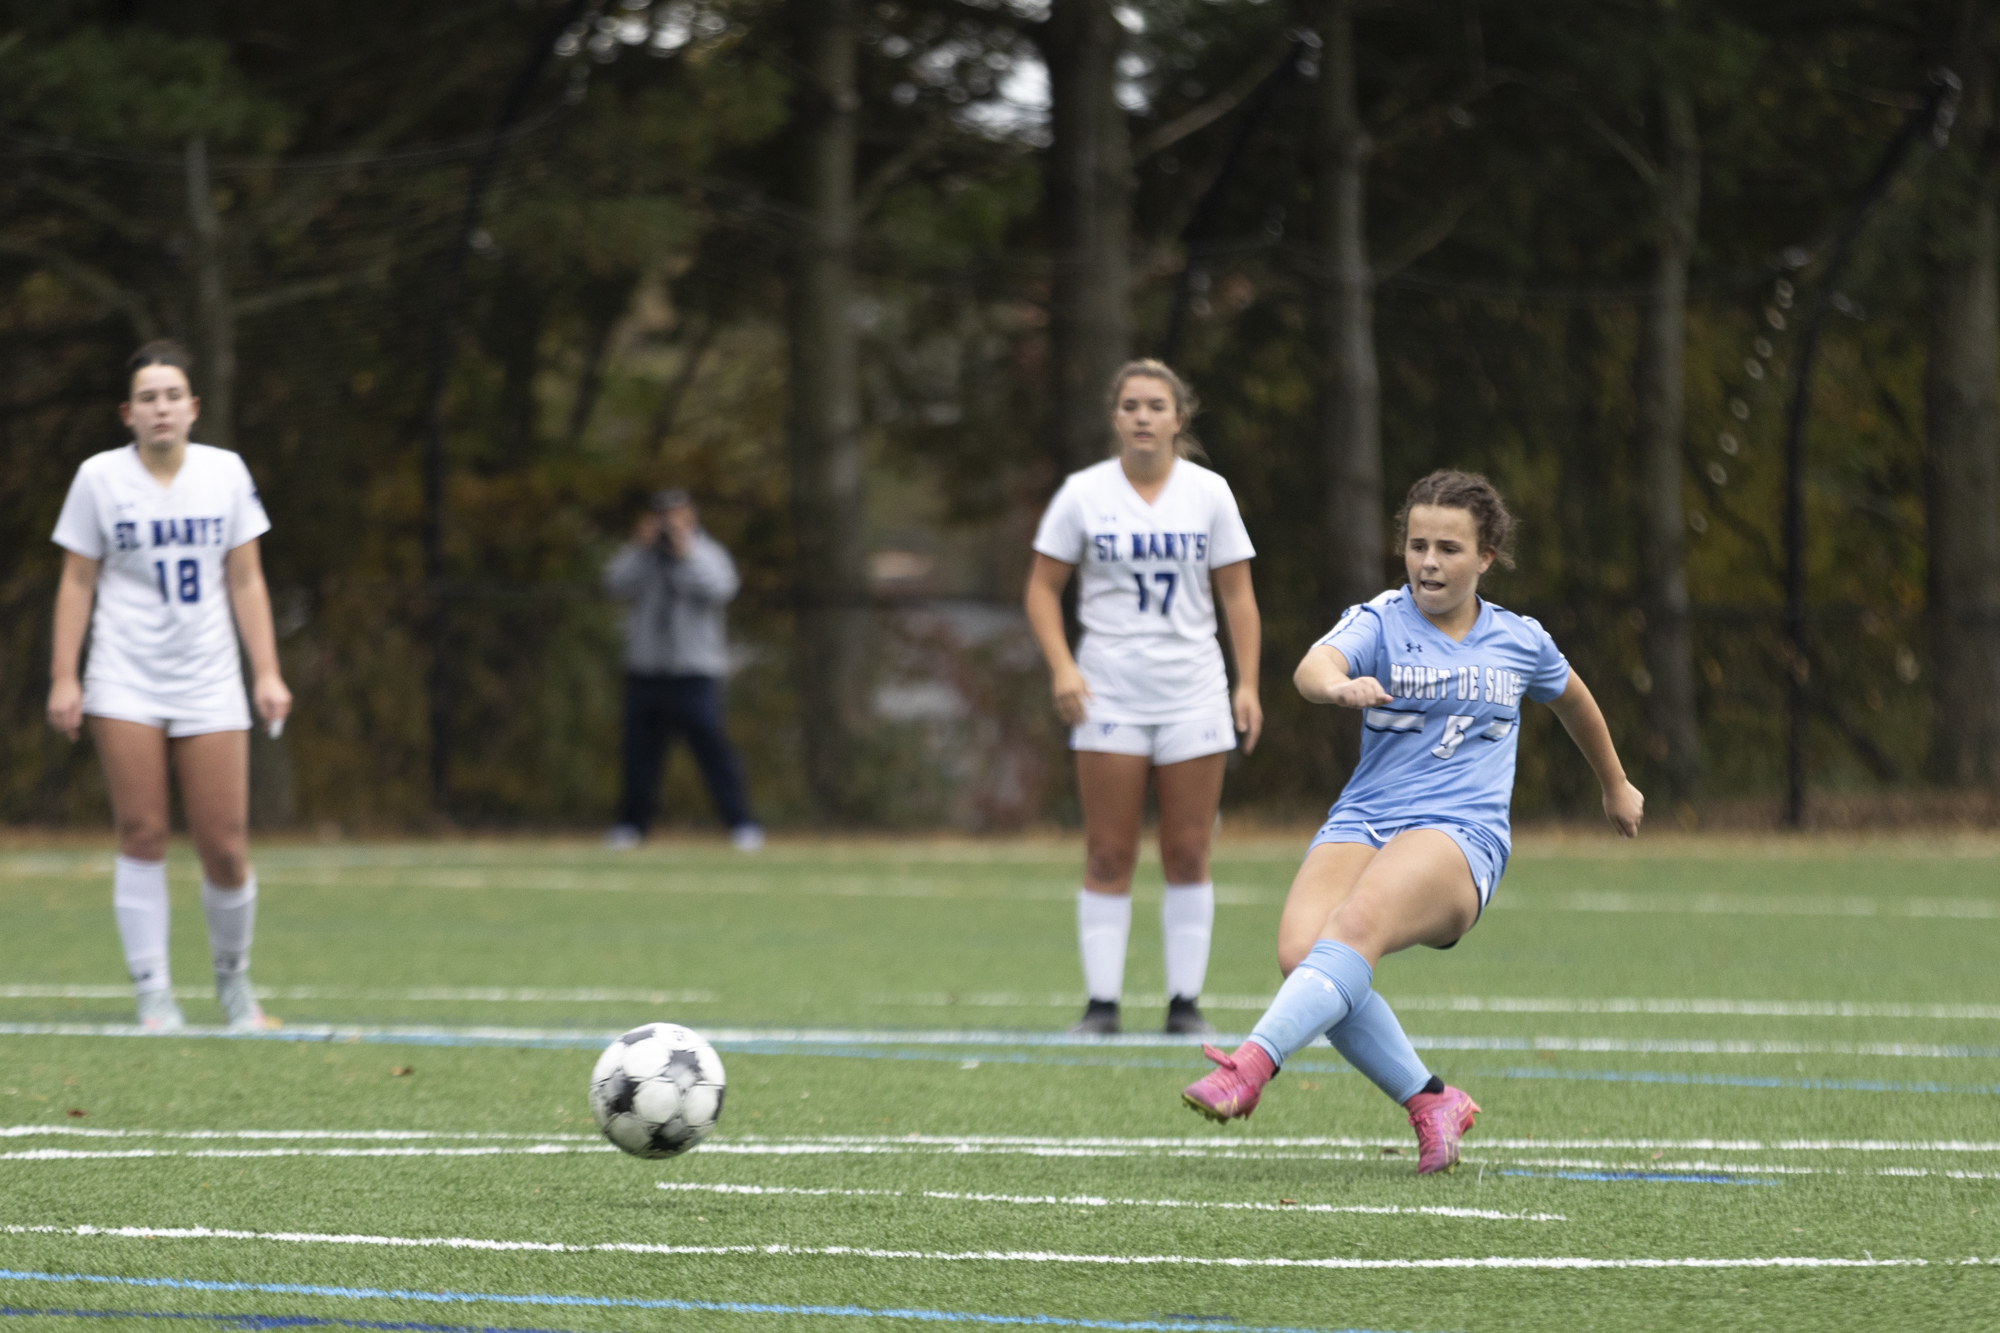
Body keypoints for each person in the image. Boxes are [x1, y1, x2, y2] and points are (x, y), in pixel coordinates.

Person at [1179, 469, 1644, 1172]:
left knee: (1356, 925)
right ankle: (1432, 1099)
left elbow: (1575, 701)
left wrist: (1615, 782)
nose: (1429, 561)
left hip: (1460, 835)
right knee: (1305, 954)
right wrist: (1337, 686)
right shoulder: (1380, 619)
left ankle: (1250, 1065)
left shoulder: (1520, 640)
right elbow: (1312, 666)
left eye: (1449, 548)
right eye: (1417, 544)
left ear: (1486, 556)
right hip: (1365, 818)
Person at [47, 340, 292, 1033]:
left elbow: (245, 578)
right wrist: (65, 675)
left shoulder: (224, 473)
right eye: (147, 398)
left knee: (225, 844)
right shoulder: (98, 477)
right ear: (128, 412)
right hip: (124, 676)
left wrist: (266, 671)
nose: (161, 408)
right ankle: (154, 993)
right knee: (144, 830)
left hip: (209, 676)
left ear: (194, 406)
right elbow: (77, 579)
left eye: (172, 395)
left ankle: (236, 988)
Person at [1025, 359, 1263, 1036]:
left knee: (1188, 850)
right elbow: (1041, 588)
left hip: (1192, 691)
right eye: (1130, 404)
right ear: (1114, 417)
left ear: (1177, 418)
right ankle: (1101, 1005)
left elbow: (1238, 595)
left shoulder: (1208, 493)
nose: (1142, 416)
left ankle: (1184, 1004)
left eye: (1155, 405)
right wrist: (1064, 668)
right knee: (1108, 850)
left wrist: (1247, 682)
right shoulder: (1083, 493)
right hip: (1110, 693)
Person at [604, 487, 762, 851]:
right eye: (662, 515)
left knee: (712, 749)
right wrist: (637, 548)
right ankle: (632, 826)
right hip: (645, 671)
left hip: (694, 672)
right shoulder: (642, 556)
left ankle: (741, 824)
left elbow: (721, 589)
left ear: (691, 516)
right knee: (639, 754)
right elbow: (613, 584)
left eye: (676, 515)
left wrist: (684, 554)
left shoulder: (707, 553)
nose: (669, 523)